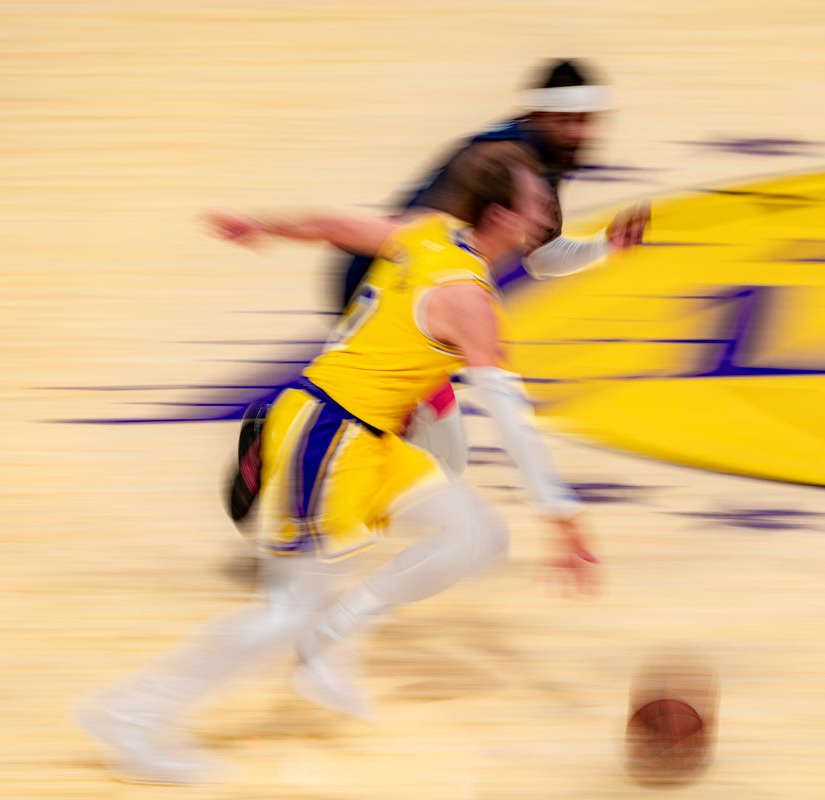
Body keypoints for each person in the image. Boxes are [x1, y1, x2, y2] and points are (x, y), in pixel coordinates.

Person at [78, 142, 599, 785]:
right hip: (326, 432)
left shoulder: (428, 233)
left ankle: (336, 631)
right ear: (504, 216)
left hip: (365, 435)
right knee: (285, 610)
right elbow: (513, 421)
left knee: (475, 535)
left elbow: (331, 226)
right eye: (535, 198)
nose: (547, 206)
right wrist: (563, 516)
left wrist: (261, 225)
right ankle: (133, 718)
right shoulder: (467, 298)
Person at [227, 59, 647, 525]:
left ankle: (299, 485)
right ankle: (300, 513)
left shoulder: (537, 157)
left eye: (585, 121)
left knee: (430, 452)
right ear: (538, 116)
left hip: (414, 293)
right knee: (423, 450)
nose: (578, 133)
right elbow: (419, 240)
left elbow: (540, 256)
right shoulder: (509, 166)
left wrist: (604, 245)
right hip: (393, 292)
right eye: (567, 121)